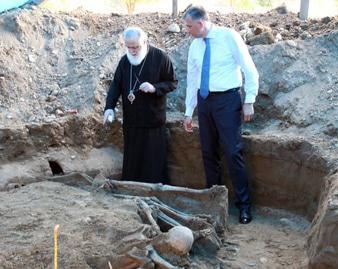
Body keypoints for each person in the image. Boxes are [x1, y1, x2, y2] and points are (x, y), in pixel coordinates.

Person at [182, 6, 259, 224]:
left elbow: (249, 68)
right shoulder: (195, 46)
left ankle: (244, 206)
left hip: (227, 100)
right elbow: (192, 80)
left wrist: (249, 100)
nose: (186, 30)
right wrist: (189, 111)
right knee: (208, 153)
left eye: (189, 26)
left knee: (233, 152)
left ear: (200, 24)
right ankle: (212, 203)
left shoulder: (228, 37)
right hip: (205, 101)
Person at [104, 26, 177, 184]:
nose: (132, 51)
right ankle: (131, 191)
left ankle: (154, 192)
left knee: (152, 163)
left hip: (153, 121)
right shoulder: (125, 61)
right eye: (129, 47)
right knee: (133, 160)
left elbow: (172, 82)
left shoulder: (160, 58)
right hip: (132, 122)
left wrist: (155, 88)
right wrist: (109, 107)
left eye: (136, 47)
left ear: (144, 42)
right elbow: (115, 85)